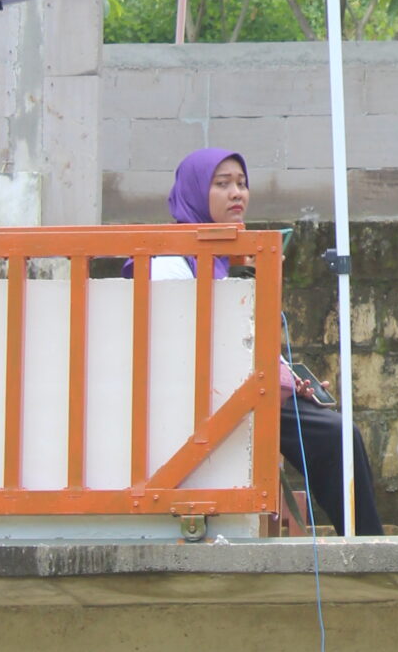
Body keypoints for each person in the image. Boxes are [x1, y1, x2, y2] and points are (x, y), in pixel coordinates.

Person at [155, 147, 385, 538]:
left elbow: (243, 338)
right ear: (194, 191)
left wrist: (288, 378)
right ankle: (366, 544)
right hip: (207, 396)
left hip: (241, 388)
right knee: (336, 437)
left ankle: (364, 541)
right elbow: (184, 346)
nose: (237, 194)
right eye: (222, 184)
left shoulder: (220, 260)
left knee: (339, 434)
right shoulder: (170, 263)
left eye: (242, 184)